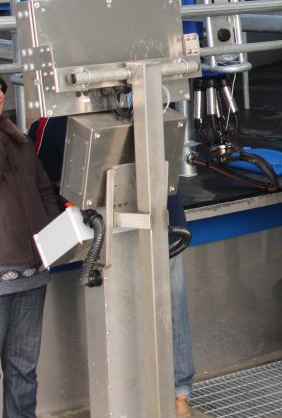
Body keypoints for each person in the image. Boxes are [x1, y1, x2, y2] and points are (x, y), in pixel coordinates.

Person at [28, 116, 202, 418]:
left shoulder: (55, 123)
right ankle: (177, 396)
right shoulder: (150, 105)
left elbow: (40, 176)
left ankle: (153, 395)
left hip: (116, 229)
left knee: (136, 311)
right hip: (159, 221)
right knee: (169, 307)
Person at [0, 76, 62, 418]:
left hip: (33, 273)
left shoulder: (20, 140)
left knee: (23, 369)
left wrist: (49, 231)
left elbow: (43, 190)